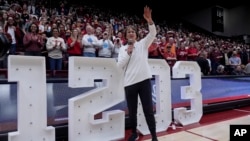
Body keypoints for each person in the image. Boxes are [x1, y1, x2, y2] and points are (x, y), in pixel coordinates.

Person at [117, 6, 158, 141]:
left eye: (133, 31)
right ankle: (134, 133)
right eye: (128, 31)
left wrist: (149, 20)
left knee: (148, 110)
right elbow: (119, 65)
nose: (131, 33)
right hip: (129, 83)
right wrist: (129, 52)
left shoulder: (142, 44)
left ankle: (154, 136)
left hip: (144, 81)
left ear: (136, 34)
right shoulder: (123, 49)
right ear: (125, 35)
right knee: (132, 112)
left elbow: (152, 34)